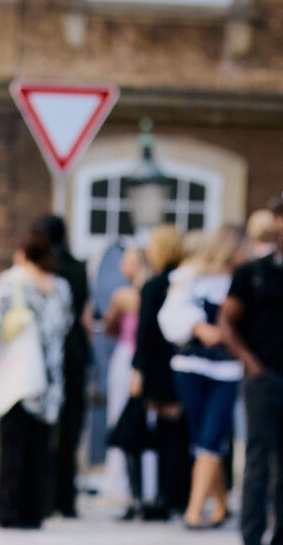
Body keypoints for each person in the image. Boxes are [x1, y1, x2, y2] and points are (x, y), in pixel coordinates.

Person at [0, 221, 71, 528]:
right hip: (48, 379)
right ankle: (34, 512)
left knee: (13, 447)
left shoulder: (12, 282)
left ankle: (9, 511)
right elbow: (63, 329)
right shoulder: (60, 287)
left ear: (23, 252)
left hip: (17, 377)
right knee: (40, 447)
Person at [158, 223, 247, 529]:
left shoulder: (241, 281)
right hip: (192, 365)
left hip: (228, 369)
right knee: (202, 439)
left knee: (211, 437)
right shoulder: (191, 277)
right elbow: (169, 317)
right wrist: (198, 327)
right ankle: (220, 504)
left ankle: (194, 511)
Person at [220, 196, 283, 545]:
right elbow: (226, 321)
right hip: (263, 378)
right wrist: (250, 363)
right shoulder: (252, 274)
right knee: (259, 461)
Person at [129, 224, 189, 519]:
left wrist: (137, 370)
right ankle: (176, 495)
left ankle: (164, 497)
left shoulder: (154, 285)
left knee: (162, 434)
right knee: (177, 433)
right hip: (182, 365)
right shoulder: (188, 281)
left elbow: (144, 335)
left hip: (158, 367)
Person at [42, 215, 91, 518]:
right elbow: (85, 315)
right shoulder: (78, 268)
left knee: (47, 426)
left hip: (48, 352)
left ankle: (46, 497)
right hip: (74, 351)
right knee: (71, 427)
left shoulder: (43, 268)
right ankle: (66, 498)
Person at [103, 247, 147, 516]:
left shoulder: (123, 296)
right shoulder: (154, 292)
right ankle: (146, 486)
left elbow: (110, 327)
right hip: (147, 360)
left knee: (121, 418)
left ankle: (122, 484)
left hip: (126, 357)